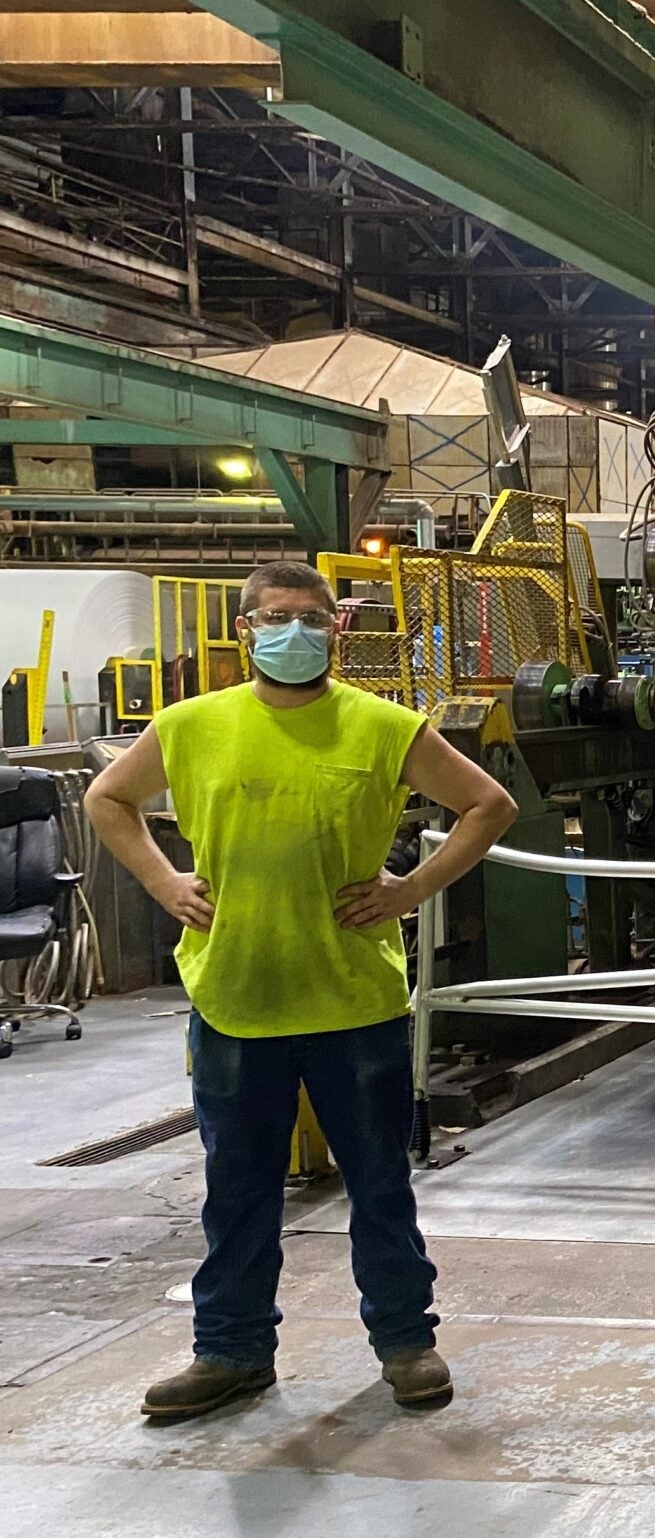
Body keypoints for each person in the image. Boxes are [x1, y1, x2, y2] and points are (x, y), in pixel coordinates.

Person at [85, 559, 516, 1421]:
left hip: (353, 1002)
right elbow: (108, 800)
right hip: (235, 1001)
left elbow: (489, 805)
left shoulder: (384, 727)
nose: (295, 632)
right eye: (276, 618)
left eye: (313, 618)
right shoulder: (190, 726)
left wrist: (409, 890)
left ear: (338, 630)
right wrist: (167, 884)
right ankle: (231, 1351)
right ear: (246, 632)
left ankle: (406, 1342)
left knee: (380, 1184)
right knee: (237, 1189)